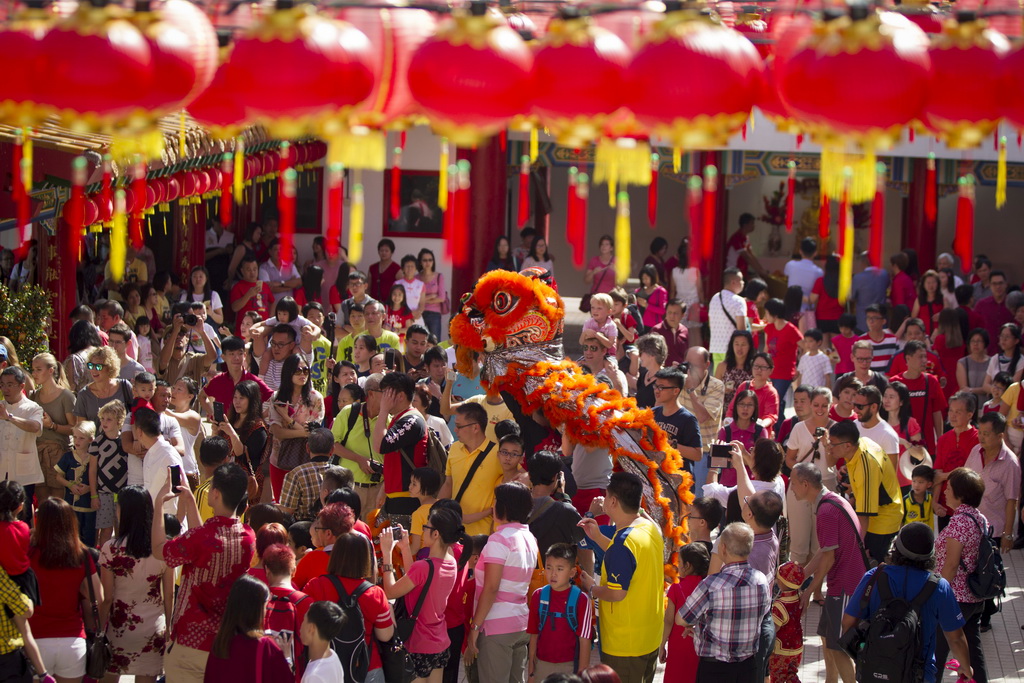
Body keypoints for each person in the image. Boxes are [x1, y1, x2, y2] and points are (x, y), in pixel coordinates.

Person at [152, 462, 255, 682]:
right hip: (226, 643)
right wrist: (189, 502)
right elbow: (205, 537)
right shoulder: (248, 537)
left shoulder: (201, 538)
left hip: (191, 642)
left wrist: (159, 504)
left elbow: (160, 550)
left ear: (215, 493)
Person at [841, 522, 973, 683]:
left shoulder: (874, 577)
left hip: (875, 672)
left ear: (895, 548)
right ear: (931, 554)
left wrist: (863, 654)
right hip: (919, 674)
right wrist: (966, 667)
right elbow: (955, 638)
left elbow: (848, 622)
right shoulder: (939, 587)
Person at [578, 473, 664, 683]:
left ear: (613, 501)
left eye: (606, 496)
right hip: (649, 636)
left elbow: (616, 593)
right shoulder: (649, 527)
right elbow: (628, 559)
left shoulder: (623, 543)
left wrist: (591, 588)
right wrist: (597, 537)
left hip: (624, 645)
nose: (604, 500)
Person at [789, 463, 864, 683]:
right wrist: (802, 575)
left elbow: (829, 558)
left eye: (793, 484)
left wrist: (809, 591)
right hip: (841, 584)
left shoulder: (826, 511)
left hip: (845, 586)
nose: (791, 489)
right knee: (825, 637)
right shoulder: (832, 500)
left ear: (805, 484)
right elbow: (825, 549)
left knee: (838, 646)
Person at [675, 522, 770, 683]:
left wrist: (699, 626)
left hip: (714, 670)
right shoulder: (761, 581)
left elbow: (681, 619)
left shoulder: (711, 584)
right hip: (748, 667)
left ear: (723, 548)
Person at [381, 504, 466, 683]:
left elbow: (390, 590)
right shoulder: (450, 561)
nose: (423, 530)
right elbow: (418, 581)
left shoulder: (424, 567)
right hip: (439, 642)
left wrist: (387, 554)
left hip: (418, 642)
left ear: (435, 534)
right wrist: (405, 548)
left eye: (426, 527)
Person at [464, 482, 539, 683]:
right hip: (520, 621)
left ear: (504, 506)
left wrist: (475, 627)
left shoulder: (499, 539)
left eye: (496, 501)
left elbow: (491, 588)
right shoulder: (529, 536)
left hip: (496, 626)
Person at [302, 527, 396, 683]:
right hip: (366, 668)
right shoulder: (375, 593)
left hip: (324, 668)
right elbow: (385, 635)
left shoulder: (316, 586)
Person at [98, 485, 171, 683]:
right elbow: (169, 595)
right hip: (153, 628)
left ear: (123, 510)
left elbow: (108, 598)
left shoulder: (110, 549)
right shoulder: (163, 550)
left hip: (118, 627)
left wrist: (98, 628)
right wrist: (170, 630)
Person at [930, 468, 990, 683]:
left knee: (935, 653)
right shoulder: (979, 518)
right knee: (973, 653)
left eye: (950, 488)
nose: (945, 492)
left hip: (955, 598)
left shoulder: (959, 523)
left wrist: (937, 595)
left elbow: (952, 565)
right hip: (974, 597)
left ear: (961, 494)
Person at [827, 420, 903, 564]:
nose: (829, 447)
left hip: (882, 523)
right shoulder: (861, 443)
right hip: (877, 514)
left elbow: (864, 515)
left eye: (832, 443)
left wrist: (855, 548)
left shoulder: (866, 466)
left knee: (874, 573)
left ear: (847, 445)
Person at [202, 574, 293, 682]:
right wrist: (286, 659)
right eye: (265, 606)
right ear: (256, 609)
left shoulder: (220, 644)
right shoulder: (266, 647)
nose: (266, 611)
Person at [784, 387, 836, 566]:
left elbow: (832, 463)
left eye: (824, 405)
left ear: (830, 406)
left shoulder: (835, 428)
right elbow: (789, 459)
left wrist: (827, 444)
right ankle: (795, 588)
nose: (820, 409)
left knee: (819, 543)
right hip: (800, 485)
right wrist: (802, 473)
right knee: (798, 544)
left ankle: (814, 589)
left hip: (825, 485)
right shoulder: (799, 427)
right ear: (810, 404)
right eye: (816, 405)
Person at [527, 543, 594, 679]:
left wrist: (582, 675)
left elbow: (584, 640)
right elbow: (534, 633)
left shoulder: (581, 599)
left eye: (560, 569)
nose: (553, 574)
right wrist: (531, 671)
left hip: (569, 666)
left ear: (572, 572)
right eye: (549, 568)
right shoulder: (538, 595)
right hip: (542, 664)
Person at [373, 372, 428, 530]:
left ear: (401, 395)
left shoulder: (412, 420)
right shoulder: (399, 418)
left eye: (386, 394)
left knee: (401, 550)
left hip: (407, 498)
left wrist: (383, 411)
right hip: (395, 497)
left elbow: (380, 447)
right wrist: (384, 490)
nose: (383, 398)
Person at [267, 354, 325, 501]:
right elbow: (277, 432)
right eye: (298, 370)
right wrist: (303, 432)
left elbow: (311, 432)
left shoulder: (315, 398)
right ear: (288, 372)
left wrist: (287, 419)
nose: (302, 374)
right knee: (282, 504)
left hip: (306, 460)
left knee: (304, 505)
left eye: (306, 370)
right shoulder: (277, 397)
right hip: (279, 458)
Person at [963, 412, 1020, 558]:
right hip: (971, 526)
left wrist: (1008, 535)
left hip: (993, 532)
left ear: (1000, 436)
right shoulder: (976, 451)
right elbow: (965, 481)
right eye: (980, 432)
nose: (981, 437)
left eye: (986, 434)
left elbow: (1012, 500)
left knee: (989, 574)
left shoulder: (1010, 463)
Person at [438, 403, 499, 535]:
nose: (455, 430)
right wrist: (436, 511)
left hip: (485, 534)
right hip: (455, 532)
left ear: (475, 427)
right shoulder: (454, 449)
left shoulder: (498, 454)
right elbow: (448, 484)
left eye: (459, 426)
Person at [331, 373, 383, 519]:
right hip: (352, 488)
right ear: (371, 394)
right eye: (385, 392)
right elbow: (333, 444)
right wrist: (359, 459)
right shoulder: (349, 412)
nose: (390, 397)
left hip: (378, 489)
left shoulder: (390, 418)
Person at [29, 353, 76, 505]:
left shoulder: (66, 396)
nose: (34, 374)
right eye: (33, 370)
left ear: (50, 370)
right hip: (39, 452)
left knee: (59, 501)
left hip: (59, 453)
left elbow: (74, 428)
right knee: (42, 500)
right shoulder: (34, 396)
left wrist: (52, 426)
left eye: (38, 369)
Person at [660, 543, 709, 683]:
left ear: (687, 565)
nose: (678, 565)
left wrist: (662, 645)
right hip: (701, 642)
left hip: (679, 643)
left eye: (679, 562)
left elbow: (669, 620)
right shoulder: (709, 585)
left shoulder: (676, 588)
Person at [678, 346, 724, 489]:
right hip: (679, 449)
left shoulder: (716, 386)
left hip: (702, 453)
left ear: (707, 365)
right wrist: (671, 378)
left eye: (695, 366)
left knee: (698, 501)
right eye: (688, 365)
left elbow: (703, 416)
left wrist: (691, 390)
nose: (690, 370)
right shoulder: (680, 382)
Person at [0, 367, 44, 514]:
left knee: (23, 514)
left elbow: (35, 427)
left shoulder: (33, 408)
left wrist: (9, 418)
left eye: (10, 384)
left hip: (23, 474)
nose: (5, 389)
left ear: (21, 386)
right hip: (1, 471)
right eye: (2, 384)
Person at [891, 340, 947, 455]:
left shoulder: (931, 381)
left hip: (927, 444)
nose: (924, 361)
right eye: (920, 357)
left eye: (925, 356)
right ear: (908, 358)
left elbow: (937, 412)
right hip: (902, 444)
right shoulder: (895, 383)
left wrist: (940, 440)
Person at [279, 428, 336, 521]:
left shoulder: (296, 474)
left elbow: (288, 510)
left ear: (307, 448)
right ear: (332, 449)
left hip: (303, 528)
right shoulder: (342, 473)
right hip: (334, 526)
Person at [650, 368, 702, 471]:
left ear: (675, 391)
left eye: (661, 387)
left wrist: (670, 444)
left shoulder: (687, 419)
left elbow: (697, 455)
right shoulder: (653, 413)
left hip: (678, 480)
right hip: (655, 476)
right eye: (655, 386)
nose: (656, 390)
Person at [853, 385, 901, 484]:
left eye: (860, 406)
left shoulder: (888, 435)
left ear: (873, 407)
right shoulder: (854, 426)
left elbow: (890, 476)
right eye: (854, 405)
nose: (855, 410)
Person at [725, 351, 780, 431]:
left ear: (771, 370)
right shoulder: (744, 386)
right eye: (756, 366)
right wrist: (728, 422)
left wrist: (759, 427)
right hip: (739, 431)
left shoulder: (771, 392)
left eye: (763, 367)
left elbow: (771, 416)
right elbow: (732, 408)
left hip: (759, 434)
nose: (759, 370)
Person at [763, 298, 803, 403]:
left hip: (785, 374)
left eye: (767, 313)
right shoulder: (769, 327)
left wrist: (800, 368)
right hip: (770, 372)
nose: (765, 316)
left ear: (775, 315)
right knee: (773, 402)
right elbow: (766, 349)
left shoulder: (791, 329)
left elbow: (805, 347)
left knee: (775, 399)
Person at [298, 600, 346, 683]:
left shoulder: (314, 676)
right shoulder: (332, 655)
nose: (301, 626)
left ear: (311, 628)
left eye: (304, 620)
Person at [708, 269, 748, 367]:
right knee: (732, 380)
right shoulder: (739, 301)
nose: (743, 283)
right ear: (733, 282)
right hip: (733, 349)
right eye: (741, 280)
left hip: (716, 347)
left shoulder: (714, 298)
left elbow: (710, 323)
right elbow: (741, 329)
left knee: (718, 379)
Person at [668, 239, 704, 347]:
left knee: (680, 332)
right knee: (695, 333)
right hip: (694, 304)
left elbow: (672, 291)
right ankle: (697, 357)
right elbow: (700, 290)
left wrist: (670, 306)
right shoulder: (695, 271)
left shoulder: (674, 271)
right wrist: (703, 303)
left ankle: (682, 356)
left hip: (680, 304)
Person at [230, 256, 274, 336]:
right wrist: (248, 295)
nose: (252, 272)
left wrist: (270, 318)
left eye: (255, 269)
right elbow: (235, 307)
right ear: (242, 271)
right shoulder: (238, 287)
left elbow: (272, 301)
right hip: (245, 331)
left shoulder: (264, 285)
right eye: (248, 270)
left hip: (263, 330)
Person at [784, 238, 823, 322]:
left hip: (789, 309)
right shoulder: (819, 272)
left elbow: (786, 279)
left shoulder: (790, 265)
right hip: (808, 310)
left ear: (800, 251)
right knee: (808, 334)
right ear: (815, 253)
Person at [975, 270, 1013, 354]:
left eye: (1000, 283)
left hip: (1010, 352)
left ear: (1006, 284)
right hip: (987, 352)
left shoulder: (1013, 304)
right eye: (994, 284)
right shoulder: (981, 305)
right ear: (989, 285)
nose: (998, 287)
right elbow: (975, 329)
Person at [715, 329, 754, 407]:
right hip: (726, 411)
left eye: (743, 344)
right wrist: (723, 390)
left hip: (747, 410)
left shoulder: (755, 368)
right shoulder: (722, 366)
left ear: (749, 346)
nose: (739, 348)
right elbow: (714, 390)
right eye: (736, 344)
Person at [857, 304, 899, 371]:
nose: (871, 321)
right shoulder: (860, 341)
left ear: (883, 321)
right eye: (868, 318)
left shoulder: (893, 340)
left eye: (874, 318)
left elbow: (897, 362)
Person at [811, 255, 843, 342]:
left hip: (822, 317)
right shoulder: (843, 283)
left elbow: (812, 299)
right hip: (838, 317)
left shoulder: (820, 281)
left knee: (824, 346)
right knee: (836, 346)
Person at [649, 300, 689, 367]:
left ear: (683, 315)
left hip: (680, 372)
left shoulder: (685, 331)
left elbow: (685, 354)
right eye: (669, 312)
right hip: (662, 372)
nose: (672, 316)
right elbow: (650, 354)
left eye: (676, 313)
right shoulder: (656, 330)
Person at [957, 328, 992, 404]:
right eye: (973, 341)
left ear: (985, 343)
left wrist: (971, 390)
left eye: (979, 341)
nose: (975, 344)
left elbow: (993, 388)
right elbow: (963, 389)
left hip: (988, 404)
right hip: (970, 404)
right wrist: (983, 389)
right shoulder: (963, 362)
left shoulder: (992, 361)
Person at [725, 213, 765, 277]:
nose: (754, 226)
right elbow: (747, 257)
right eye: (752, 223)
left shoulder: (745, 237)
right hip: (733, 272)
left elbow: (751, 254)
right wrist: (760, 271)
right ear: (745, 225)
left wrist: (761, 270)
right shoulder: (737, 237)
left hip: (741, 272)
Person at [634, 265, 668, 330]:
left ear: (653, 277)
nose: (644, 281)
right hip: (640, 325)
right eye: (643, 279)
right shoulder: (638, 291)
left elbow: (663, 311)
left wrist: (647, 306)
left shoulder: (660, 291)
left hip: (654, 326)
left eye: (646, 278)